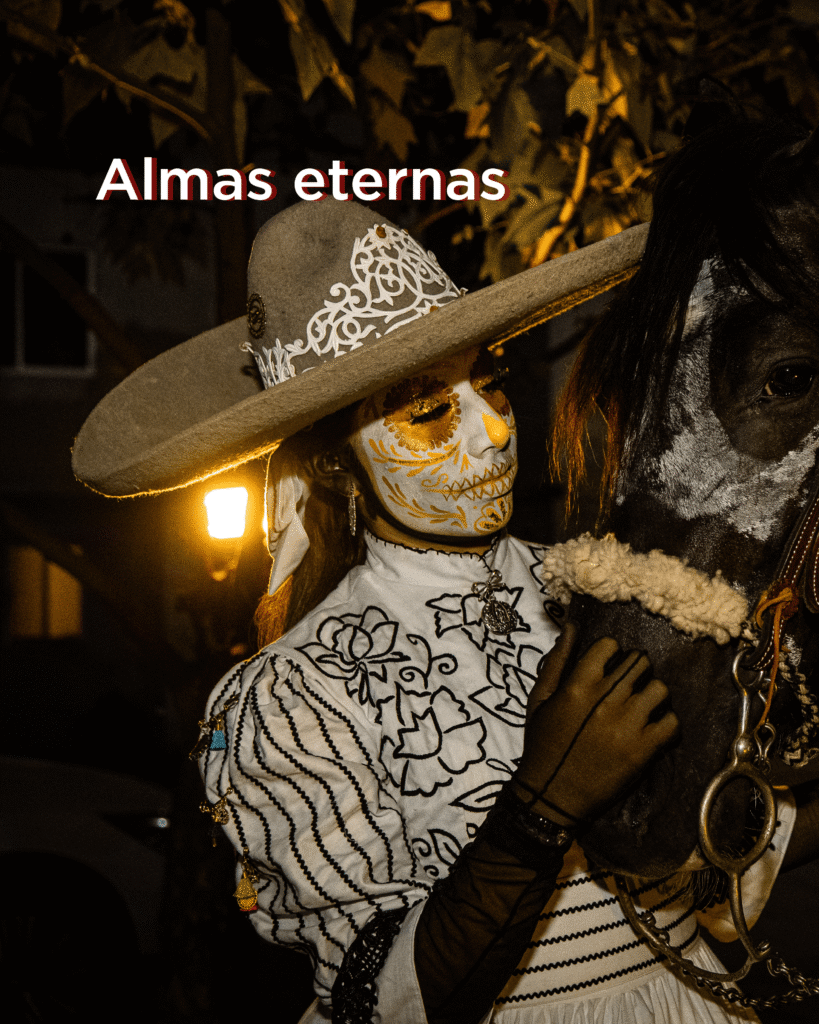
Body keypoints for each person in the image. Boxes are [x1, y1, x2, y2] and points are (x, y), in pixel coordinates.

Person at [73, 200, 793, 1023]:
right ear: (339, 469)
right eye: (427, 413)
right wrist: (542, 805)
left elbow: (732, 842)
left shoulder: (611, 598)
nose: (490, 431)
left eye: (489, 383)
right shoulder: (293, 696)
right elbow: (381, 998)